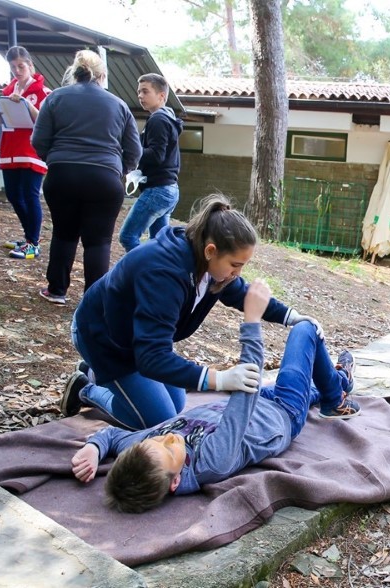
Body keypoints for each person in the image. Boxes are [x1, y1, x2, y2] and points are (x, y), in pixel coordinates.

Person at [69, 278, 360, 513]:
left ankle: (338, 385)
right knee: (306, 330)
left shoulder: (145, 450)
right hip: (283, 411)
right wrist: (252, 320)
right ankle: (335, 399)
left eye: (157, 439)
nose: (167, 436)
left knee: (316, 386)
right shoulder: (213, 461)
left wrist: (94, 449)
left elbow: (111, 437)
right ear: (176, 482)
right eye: (170, 449)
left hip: (262, 403)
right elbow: (246, 386)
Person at [60, 193, 337, 431]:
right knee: (160, 421)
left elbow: (242, 293)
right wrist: (218, 378)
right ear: (210, 250)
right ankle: (88, 387)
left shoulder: (210, 268)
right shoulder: (164, 274)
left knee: (178, 403)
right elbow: (152, 358)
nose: (238, 274)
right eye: (236, 265)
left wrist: (292, 317)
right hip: (105, 339)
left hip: (137, 337)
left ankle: (100, 378)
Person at [31, 49, 142, 306]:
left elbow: (38, 140)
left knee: (64, 234)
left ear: (74, 72)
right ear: (102, 76)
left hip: (62, 175)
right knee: (99, 241)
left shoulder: (55, 98)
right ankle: (93, 301)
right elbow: (134, 151)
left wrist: (56, 160)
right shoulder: (119, 104)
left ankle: (57, 290)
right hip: (105, 178)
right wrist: (119, 170)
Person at [118, 73, 183, 252]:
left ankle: (138, 273)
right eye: (139, 92)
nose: (140, 96)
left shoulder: (158, 119)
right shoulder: (166, 117)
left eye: (145, 92)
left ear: (161, 95)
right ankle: (160, 277)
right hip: (169, 190)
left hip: (158, 190)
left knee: (128, 236)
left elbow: (156, 155)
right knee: (159, 245)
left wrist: (129, 152)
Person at [0, 46, 50, 260]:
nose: (17, 70)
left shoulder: (43, 93)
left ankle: (33, 243)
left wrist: (26, 104)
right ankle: (29, 237)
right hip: (10, 149)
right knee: (12, 195)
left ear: (30, 66)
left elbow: (44, 121)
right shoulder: (8, 91)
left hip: (31, 151)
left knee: (29, 195)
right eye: (13, 67)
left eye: (21, 66)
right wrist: (2, 115)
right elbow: (3, 119)